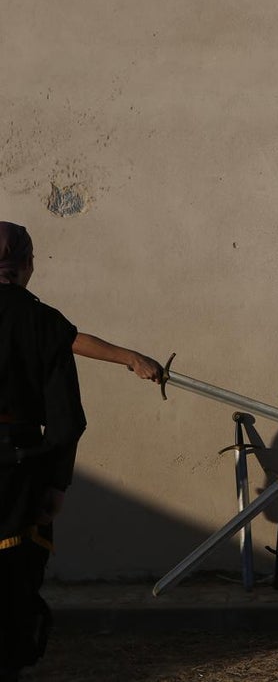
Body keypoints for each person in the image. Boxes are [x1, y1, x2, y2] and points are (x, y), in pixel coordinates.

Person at [0, 222, 162, 682]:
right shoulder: (38, 319)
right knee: (13, 577)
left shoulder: (41, 321)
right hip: (16, 472)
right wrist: (57, 482)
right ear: (27, 265)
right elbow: (66, 418)